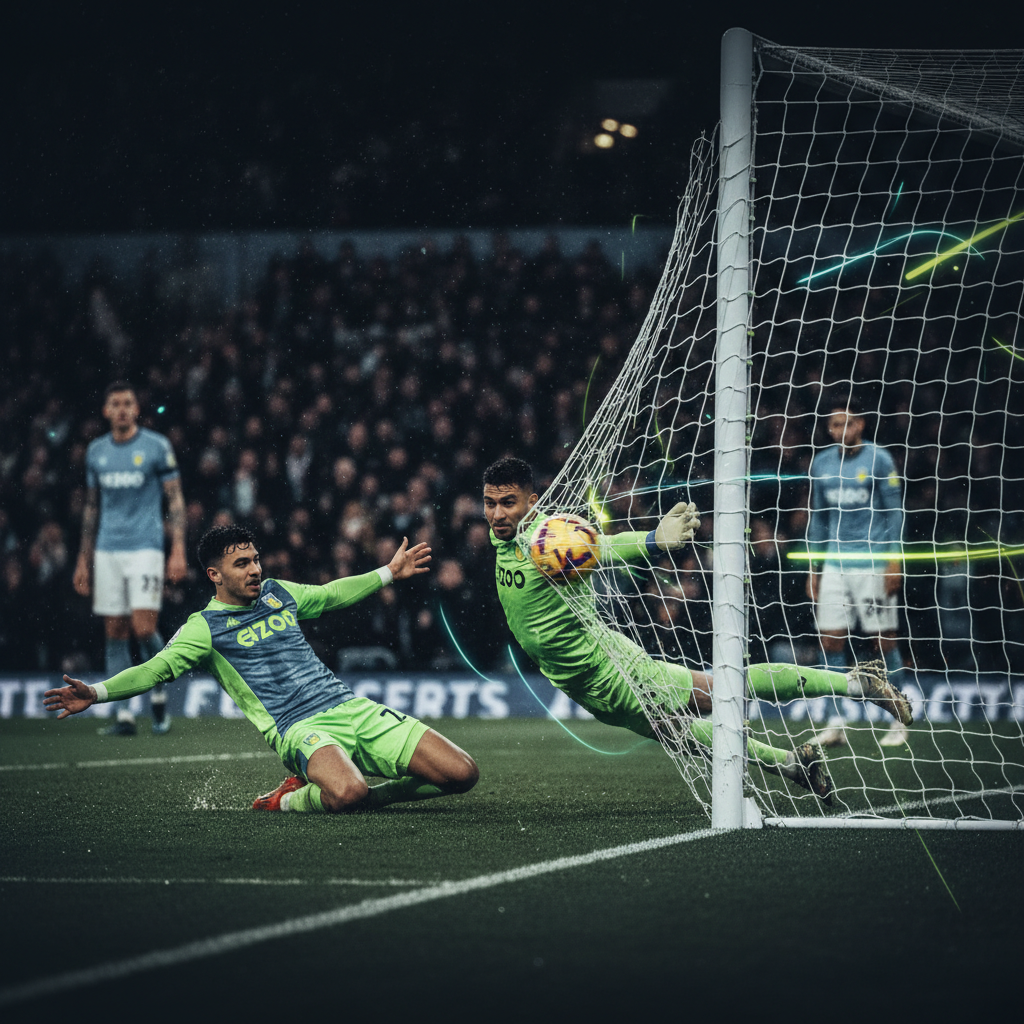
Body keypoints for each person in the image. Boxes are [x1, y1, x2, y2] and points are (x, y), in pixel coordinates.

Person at [482, 457, 913, 806]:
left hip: (609, 668)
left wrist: (653, 539)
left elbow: (603, 548)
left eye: (508, 503)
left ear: (532, 502)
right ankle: (790, 763)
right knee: (680, 733)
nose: (498, 514)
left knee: (724, 689)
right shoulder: (501, 539)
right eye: (490, 503)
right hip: (579, 682)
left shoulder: (547, 539)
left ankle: (859, 685)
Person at [47, 524, 478, 814]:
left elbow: (329, 595)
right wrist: (97, 693)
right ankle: (286, 800)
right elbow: (154, 669)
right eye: (242, 564)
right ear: (215, 574)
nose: (255, 569)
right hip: (296, 727)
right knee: (347, 791)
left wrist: (387, 572)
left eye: (255, 559)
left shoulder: (277, 593)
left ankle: (362, 794)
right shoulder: (204, 627)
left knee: (462, 773)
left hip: (348, 706)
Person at [72, 382, 187, 735]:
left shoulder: (156, 446)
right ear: (106, 411)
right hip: (108, 549)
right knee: (115, 633)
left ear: (136, 409)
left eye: (127, 403)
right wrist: (83, 558)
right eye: (115, 404)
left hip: (145, 548)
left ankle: (160, 688)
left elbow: (176, 500)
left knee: (144, 628)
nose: (122, 409)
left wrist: (178, 548)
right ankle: (123, 715)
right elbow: (92, 507)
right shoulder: (96, 452)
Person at [806, 402, 908, 748]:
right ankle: (837, 722)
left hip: (873, 561)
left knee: (884, 640)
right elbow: (818, 519)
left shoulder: (879, 459)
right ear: (829, 428)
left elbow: (894, 512)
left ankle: (899, 719)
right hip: (834, 563)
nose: (841, 431)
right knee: (830, 640)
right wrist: (814, 568)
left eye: (847, 424)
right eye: (835, 425)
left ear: (860, 424)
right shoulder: (821, 463)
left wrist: (895, 559)